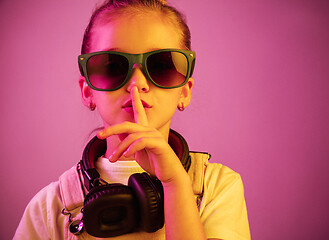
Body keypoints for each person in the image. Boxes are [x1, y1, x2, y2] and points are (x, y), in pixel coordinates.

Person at [14, 0, 250, 239]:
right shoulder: (50, 208)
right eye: (113, 66)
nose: (137, 83)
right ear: (88, 91)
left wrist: (175, 184)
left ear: (184, 91)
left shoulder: (218, 187)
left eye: (161, 65)